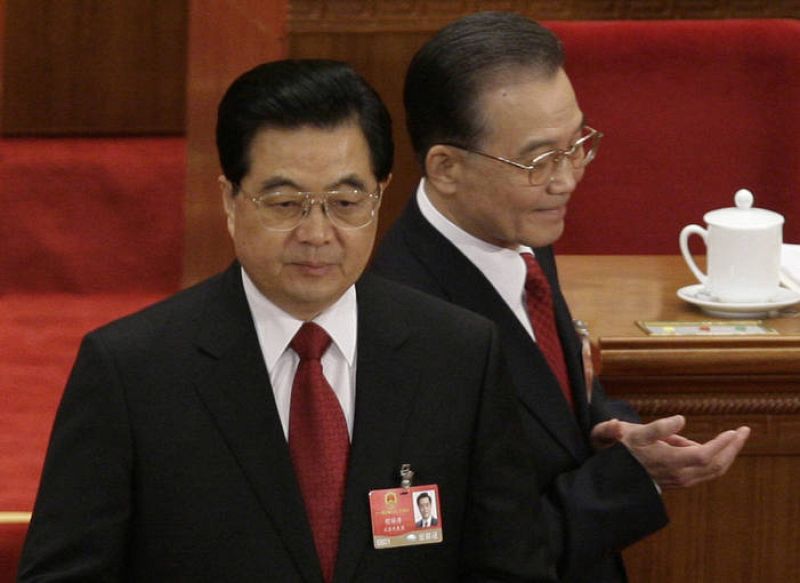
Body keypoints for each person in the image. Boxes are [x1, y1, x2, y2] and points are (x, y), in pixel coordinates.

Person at [18, 60, 555, 582]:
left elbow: (510, 567)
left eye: (345, 202)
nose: (317, 234)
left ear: (380, 195)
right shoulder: (132, 372)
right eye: (284, 204)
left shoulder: (458, 356)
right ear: (230, 200)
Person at [370, 12, 751, 583]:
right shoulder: (398, 325)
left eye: (576, 146)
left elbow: (548, 400)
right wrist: (632, 478)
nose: (567, 179)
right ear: (446, 168)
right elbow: (441, 556)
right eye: (539, 160)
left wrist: (611, 429)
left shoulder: (516, 233)